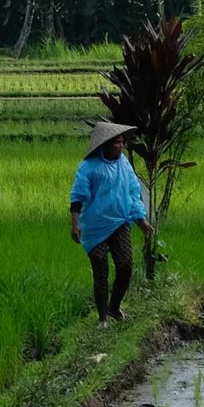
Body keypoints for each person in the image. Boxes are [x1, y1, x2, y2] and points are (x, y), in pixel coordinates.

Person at [69, 119, 149, 326]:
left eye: (123, 142)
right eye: (117, 143)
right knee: (101, 270)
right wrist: (75, 223)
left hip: (120, 222)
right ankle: (103, 317)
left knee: (125, 267)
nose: (122, 146)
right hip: (94, 226)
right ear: (105, 144)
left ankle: (115, 307)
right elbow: (78, 196)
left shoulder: (124, 164)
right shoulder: (88, 167)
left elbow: (133, 193)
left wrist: (141, 221)